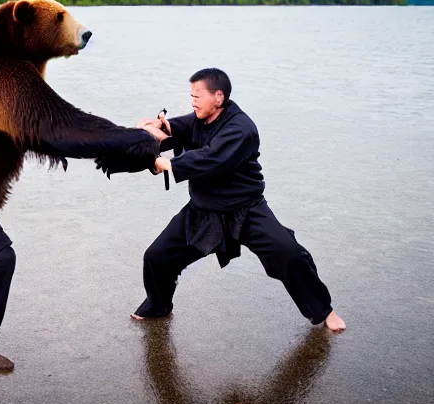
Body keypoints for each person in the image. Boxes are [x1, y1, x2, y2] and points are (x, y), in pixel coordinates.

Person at [98, 68, 346, 331]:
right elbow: (178, 129)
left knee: (290, 254)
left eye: (197, 96)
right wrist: (153, 129)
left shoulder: (241, 128)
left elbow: (211, 157)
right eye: (191, 95)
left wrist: (166, 162)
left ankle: (324, 310)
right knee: (157, 257)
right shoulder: (200, 118)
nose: (193, 101)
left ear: (219, 97)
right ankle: (158, 305)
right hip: (203, 210)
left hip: (245, 210)